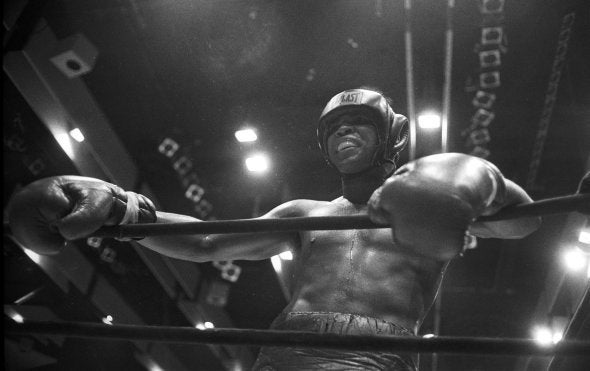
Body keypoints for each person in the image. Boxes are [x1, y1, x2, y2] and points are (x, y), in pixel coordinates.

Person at [8, 88, 541, 370]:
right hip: (285, 348)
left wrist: (480, 179)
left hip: (380, 355)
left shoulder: (431, 207)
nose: (343, 133)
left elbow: (525, 225)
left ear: (391, 138)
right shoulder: (303, 213)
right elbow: (206, 240)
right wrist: (122, 211)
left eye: (358, 123)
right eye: (332, 128)